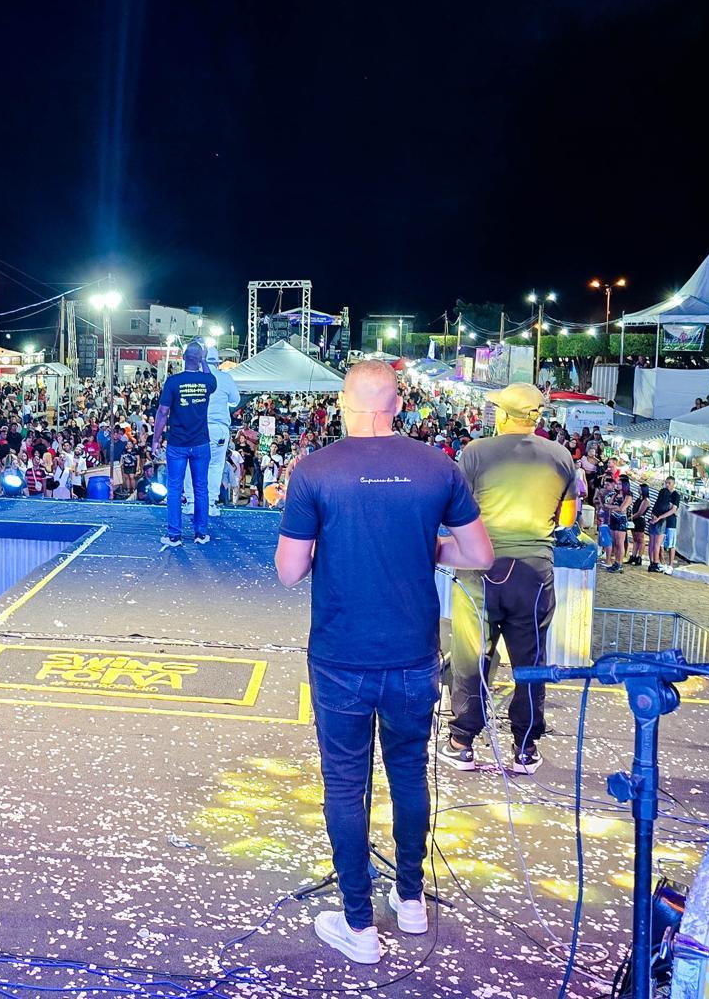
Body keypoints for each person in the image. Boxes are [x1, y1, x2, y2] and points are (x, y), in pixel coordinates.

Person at [274, 361, 494, 964]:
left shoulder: (315, 471)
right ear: (398, 404)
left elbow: (290, 571)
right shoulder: (437, 466)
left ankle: (358, 924)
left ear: (343, 403)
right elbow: (478, 553)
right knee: (408, 773)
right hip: (413, 655)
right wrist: (429, 546)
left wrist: (329, 546)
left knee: (346, 783)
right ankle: (411, 899)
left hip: (341, 656)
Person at [440, 382, 575, 776]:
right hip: (534, 573)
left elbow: (456, 511)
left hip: (479, 570)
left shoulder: (476, 452)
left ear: (502, 414)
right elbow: (567, 519)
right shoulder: (561, 456)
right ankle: (525, 748)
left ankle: (462, 742)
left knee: (471, 656)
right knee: (530, 662)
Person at [151, 341, 217, 548]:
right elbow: (211, 379)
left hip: (177, 443)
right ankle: (201, 533)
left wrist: (155, 440)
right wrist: (204, 360)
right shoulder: (207, 381)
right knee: (201, 488)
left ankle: (174, 535)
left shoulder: (173, 381)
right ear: (199, 359)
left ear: (183, 357)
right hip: (200, 442)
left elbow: (163, 412)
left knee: (174, 488)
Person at [183, 344, 241, 515]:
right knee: (215, 466)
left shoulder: (193, 377)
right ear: (217, 362)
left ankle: (191, 502)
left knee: (191, 464)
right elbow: (235, 400)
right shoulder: (225, 378)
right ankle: (210, 504)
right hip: (218, 428)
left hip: (195, 427)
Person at [647, 475, 681, 572]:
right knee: (658, 544)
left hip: (670, 522)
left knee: (670, 544)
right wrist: (657, 516)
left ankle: (670, 564)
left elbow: (674, 509)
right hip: (660, 522)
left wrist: (659, 517)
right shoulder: (662, 493)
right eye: (666, 483)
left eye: (669, 483)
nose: (667, 485)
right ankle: (658, 562)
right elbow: (656, 506)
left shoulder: (675, 495)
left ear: (673, 484)